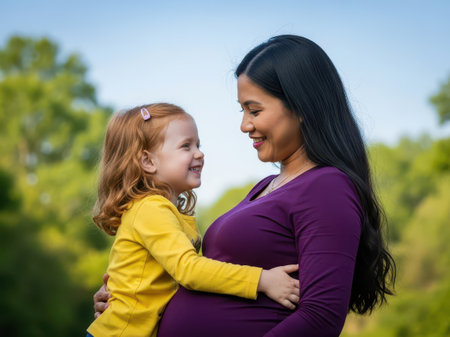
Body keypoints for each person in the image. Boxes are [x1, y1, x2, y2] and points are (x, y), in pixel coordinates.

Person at [94, 35, 396, 336]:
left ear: (301, 107)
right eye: (242, 110)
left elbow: (321, 317)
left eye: (254, 110)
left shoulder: (327, 187)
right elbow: (190, 273)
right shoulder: (265, 187)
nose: (244, 125)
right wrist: (132, 298)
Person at [86, 103, 301, 337]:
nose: (199, 153)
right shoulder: (150, 208)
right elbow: (189, 270)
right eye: (185, 146)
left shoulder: (165, 210)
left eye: (198, 145)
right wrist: (261, 280)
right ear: (148, 162)